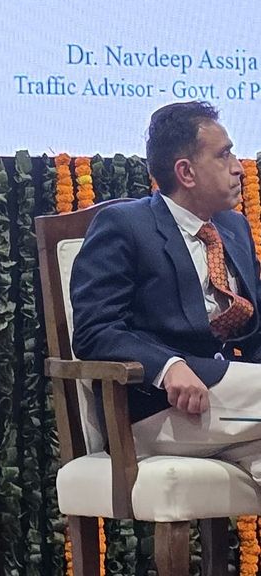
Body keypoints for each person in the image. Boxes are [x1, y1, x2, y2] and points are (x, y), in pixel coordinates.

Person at [71, 101, 261, 478]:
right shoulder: (124, 225)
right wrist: (168, 366)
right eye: (223, 155)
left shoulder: (234, 228)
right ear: (186, 172)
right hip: (158, 406)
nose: (239, 167)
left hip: (236, 402)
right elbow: (95, 331)